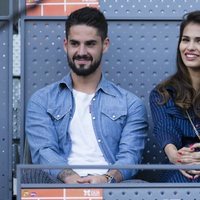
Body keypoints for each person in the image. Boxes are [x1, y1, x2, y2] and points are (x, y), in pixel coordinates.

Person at [25, 7, 148, 184]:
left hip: (110, 186)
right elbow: (44, 151)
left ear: (105, 45)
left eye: (90, 44)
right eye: (75, 43)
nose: (81, 52)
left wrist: (106, 179)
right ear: (66, 45)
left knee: (141, 188)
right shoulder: (42, 100)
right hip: (59, 183)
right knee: (32, 179)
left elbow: (130, 156)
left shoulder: (130, 104)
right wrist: (70, 178)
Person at [150, 10, 200, 182]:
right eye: (185, 40)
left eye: (199, 41)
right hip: (179, 168)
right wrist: (174, 155)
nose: (190, 47)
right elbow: (164, 129)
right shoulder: (162, 93)